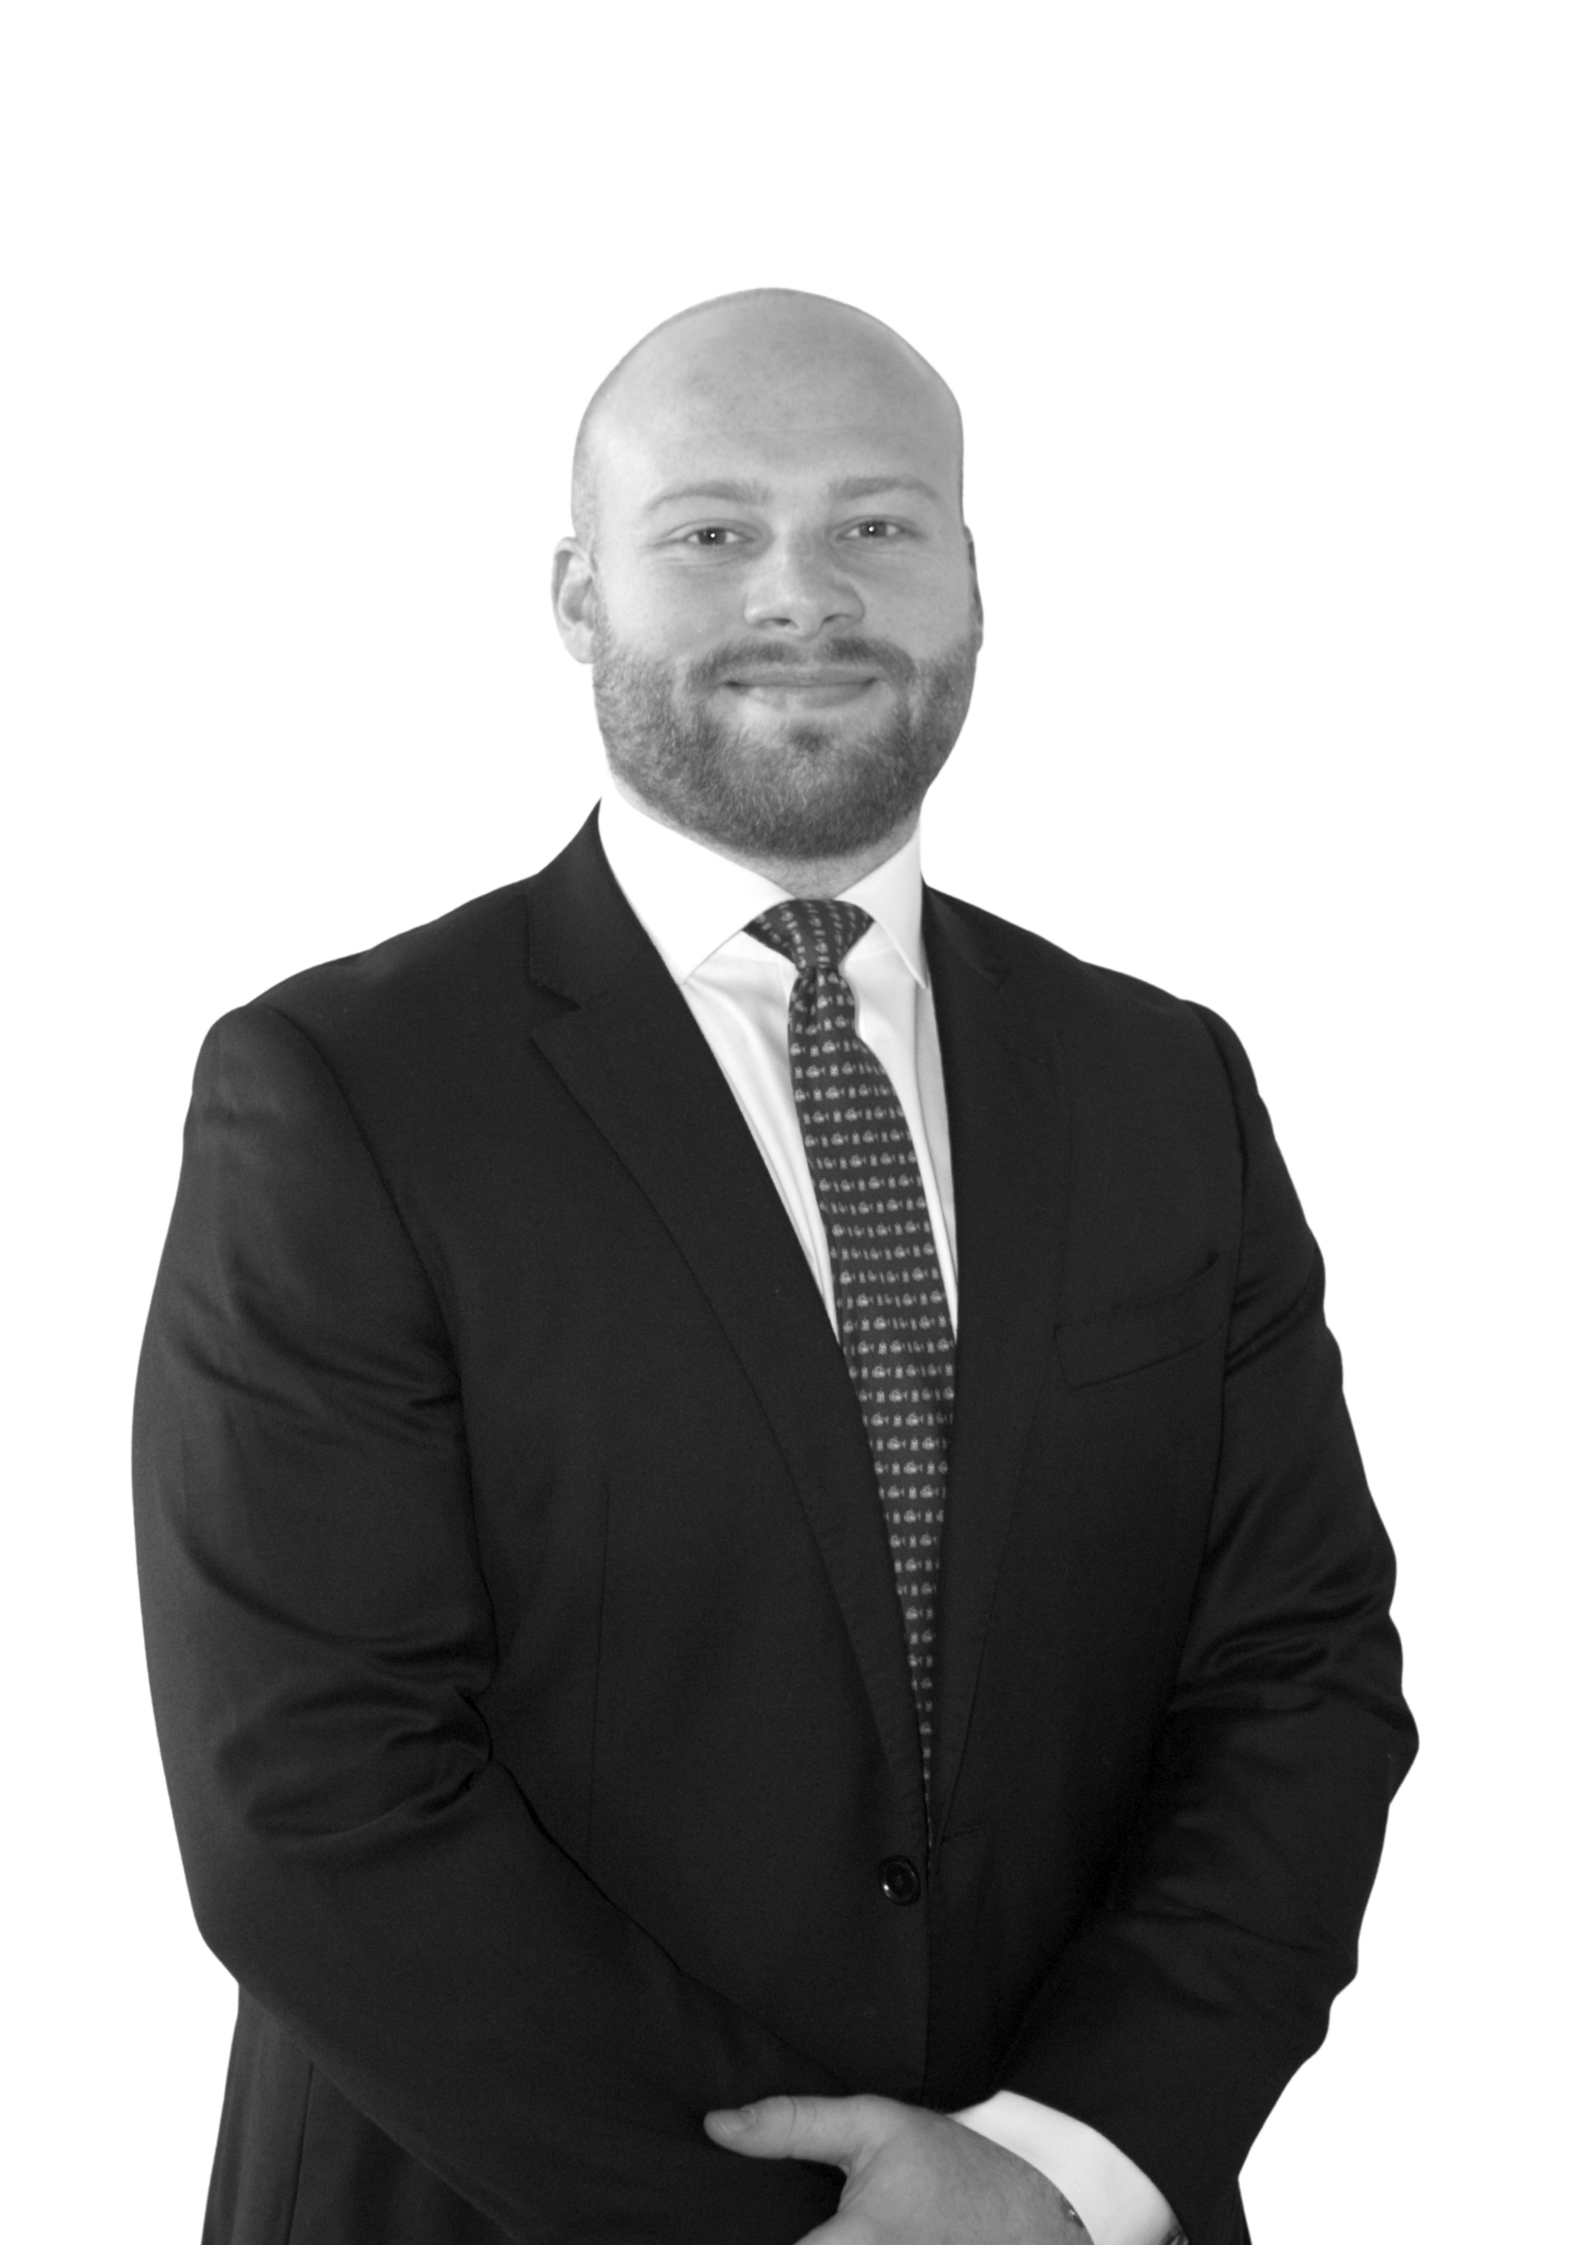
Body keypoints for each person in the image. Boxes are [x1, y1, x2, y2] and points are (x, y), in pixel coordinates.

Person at [133, 288, 1415, 2245]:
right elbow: (311, 1789)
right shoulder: (343, 1092)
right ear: (579, 594)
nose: (801, 591)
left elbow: (1296, 1678)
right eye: (711, 528)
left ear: (972, 582)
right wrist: (822, 2221)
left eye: (876, 523)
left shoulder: (1164, 1085)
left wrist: (1061, 2166)